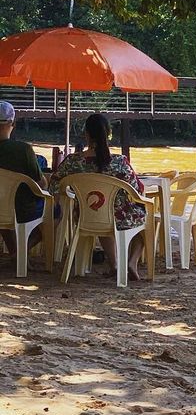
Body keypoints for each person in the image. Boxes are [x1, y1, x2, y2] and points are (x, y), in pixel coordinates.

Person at [51, 113, 147, 281]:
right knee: (145, 223)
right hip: (120, 217)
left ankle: (114, 265)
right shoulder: (119, 162)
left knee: (101, 213)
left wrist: (66, 196)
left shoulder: (73, 161)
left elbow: (53, 185)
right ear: (108, 134)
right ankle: (132, 262)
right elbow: (138, 189)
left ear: (86, 134)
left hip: (85, 215)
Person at [0, 100, 48, 257]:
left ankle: (15, 251)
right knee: (55, 212)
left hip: (3, 207)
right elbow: (41, 184)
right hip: (21, 209)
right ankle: (21, 251)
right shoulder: (24, 150)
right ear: (12, 122)